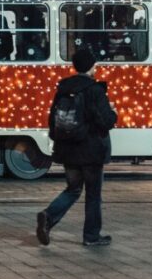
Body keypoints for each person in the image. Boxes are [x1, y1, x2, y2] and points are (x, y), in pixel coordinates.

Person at [36, 48, 117, 247]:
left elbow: (52, 119)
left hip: (68, 150)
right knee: (93, 195)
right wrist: (113, 112)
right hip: (91, 151)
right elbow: (105, 121)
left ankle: (48, 216)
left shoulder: (63, 88)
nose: (96, 67)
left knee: (73, 189)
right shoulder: (94, 90)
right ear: (90, 66)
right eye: (95, 64)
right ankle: (91, 236)